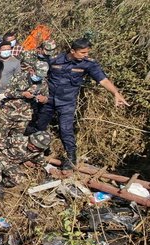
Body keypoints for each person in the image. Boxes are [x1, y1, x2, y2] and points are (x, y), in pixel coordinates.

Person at [24, 38, 129, 170]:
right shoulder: (55, 59)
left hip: (67, 102)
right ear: (72, 51)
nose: (86, 55)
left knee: (66, 129)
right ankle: (39, 151)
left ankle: (71, 158)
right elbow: (39, 71)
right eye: (83, 52)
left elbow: (103, 80)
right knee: (39, 125)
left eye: (87, 52)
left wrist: (116, 93)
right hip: (48, 100)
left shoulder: (88, 64)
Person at [0, 60, 49, 138]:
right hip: (9, 112)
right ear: (31, 70)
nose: (39, 78)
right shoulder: (19, 77)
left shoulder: (43, 83)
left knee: (16, 140)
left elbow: (46, 97)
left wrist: (44, 99)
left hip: (24, 116)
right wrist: (22, 94)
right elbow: (7, 92)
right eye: (38, 75)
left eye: (41, 76)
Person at [0, 131, 52, 196]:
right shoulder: (18, 139)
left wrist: (47, 167)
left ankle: (0, 185)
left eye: (36, 146)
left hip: (12, 164)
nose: (32, 146)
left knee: (18, 179)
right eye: (32, 142)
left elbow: (40, 160)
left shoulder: (38, 152)